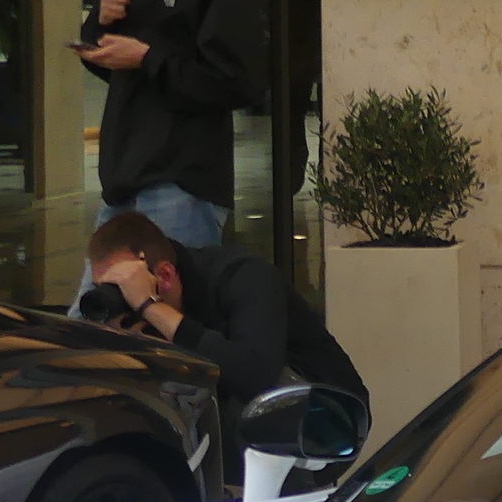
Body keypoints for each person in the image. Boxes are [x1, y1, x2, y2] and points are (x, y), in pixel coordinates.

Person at [86, 212, 366, 477]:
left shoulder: (245, 275)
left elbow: (255, 375)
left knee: (210, 398)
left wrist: (152, 308)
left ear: (166, 275)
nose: (124, 300)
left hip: (329, 417)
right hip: (250, 414)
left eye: (125, 289)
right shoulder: (139, 319)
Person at [76, 0, 265, 251]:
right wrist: (101, 20)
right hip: (122, 180)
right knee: (101, 289)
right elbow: (109, 61)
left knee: (168, 286)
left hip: (181, 182)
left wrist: (148, 58)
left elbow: (236, 81)